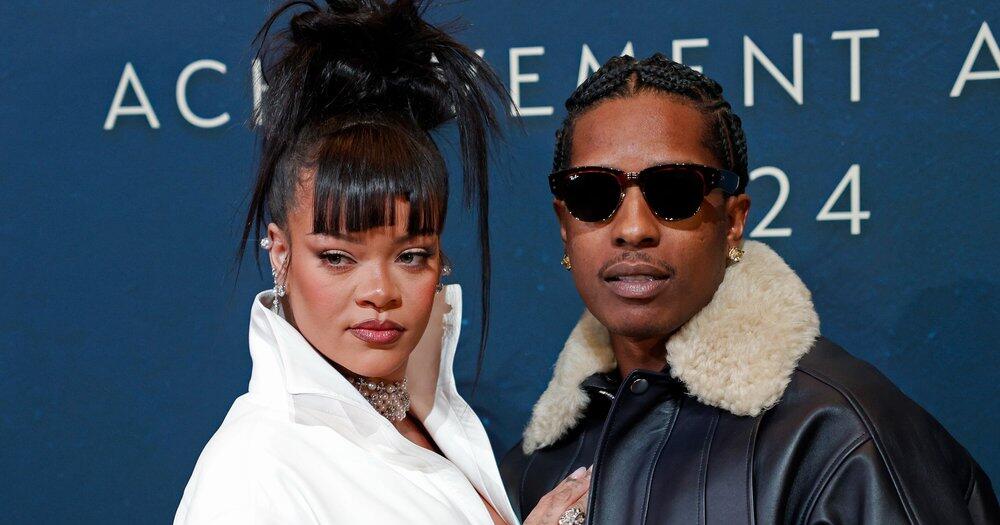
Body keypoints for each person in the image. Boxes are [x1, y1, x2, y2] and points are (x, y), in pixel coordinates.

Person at [500, 53, 999, 524]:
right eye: (593, 193)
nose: (633, 229)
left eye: (675, 191)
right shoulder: (528, 468)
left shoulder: (842, 437)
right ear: (565, 226)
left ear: (734, 222)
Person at [174, 1, 589, 523]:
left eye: (411, 256)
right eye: (338, 257)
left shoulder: (427, 418)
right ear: (280, 253)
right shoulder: (254, 470)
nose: (380, 292)